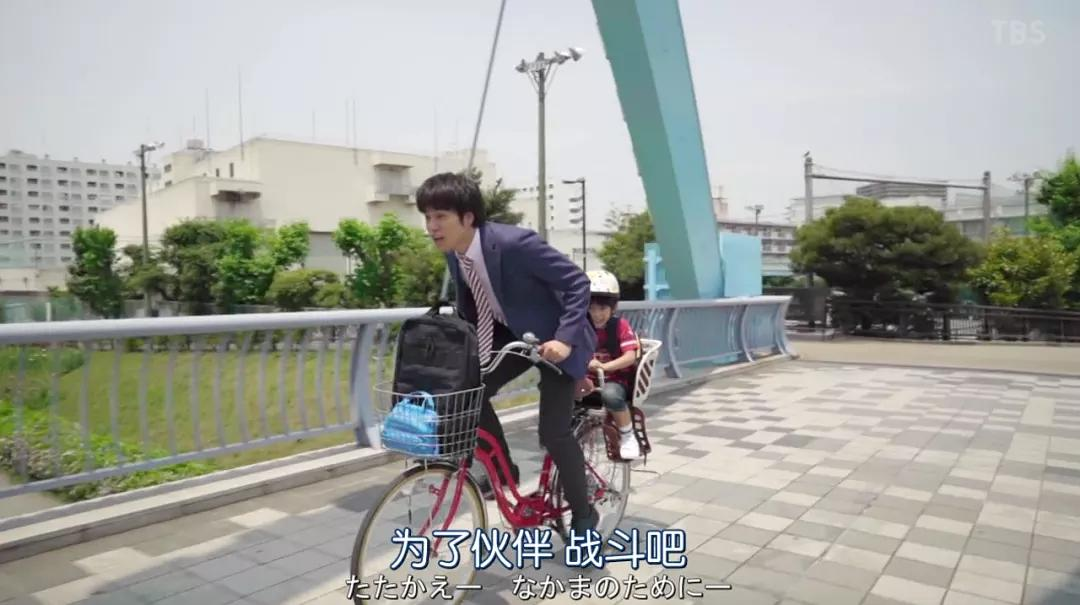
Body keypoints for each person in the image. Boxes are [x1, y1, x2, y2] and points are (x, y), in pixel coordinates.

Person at [416, 172, 599, 535]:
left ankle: (583, 515)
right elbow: (474, 306)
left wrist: (564, 340)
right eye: (427, 217)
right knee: (469, 393)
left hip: (557, 342)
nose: (431, 226)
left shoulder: (515, 244)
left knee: (553, 432)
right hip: (514, 337)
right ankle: (505, 475)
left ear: (468, 217)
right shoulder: (455, 253)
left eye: (440, 217)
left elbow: (577, 283)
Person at [583, 270, 641, 460]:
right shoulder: (581, 326)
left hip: (615, 379)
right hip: (587, 379)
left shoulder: (620, 326)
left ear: (613, 307)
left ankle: (627, 435)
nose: (596, 314)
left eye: (602, 308)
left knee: (611, 395)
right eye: (591, 308)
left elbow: (630, 356)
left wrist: (605, 367)